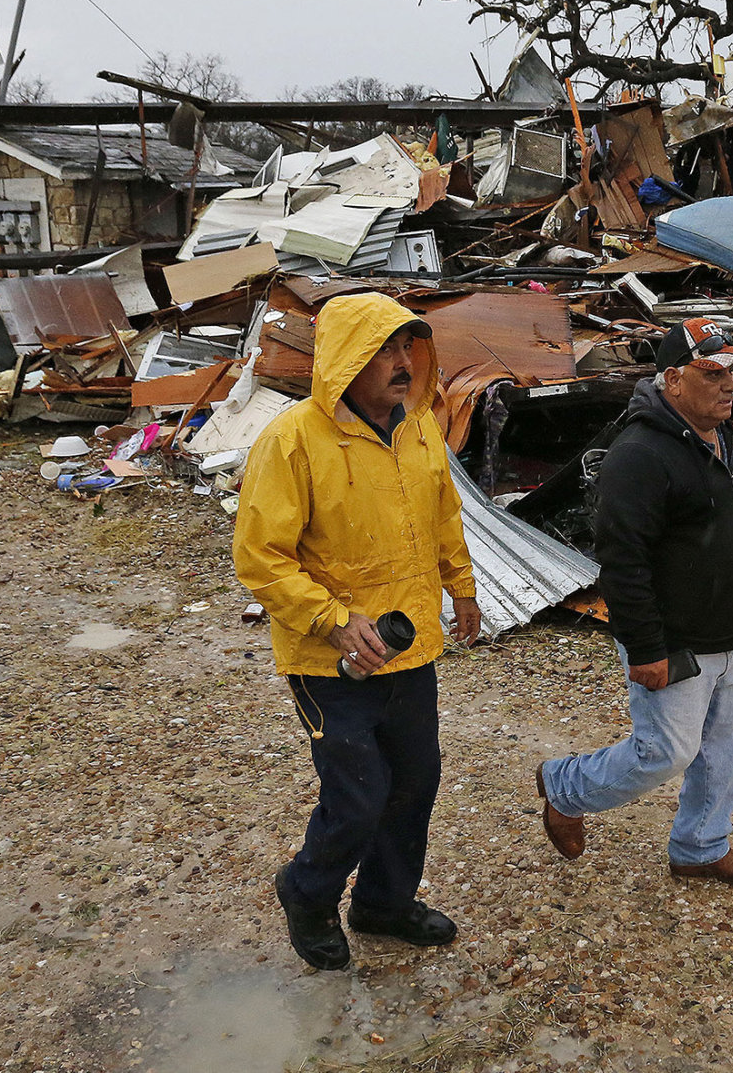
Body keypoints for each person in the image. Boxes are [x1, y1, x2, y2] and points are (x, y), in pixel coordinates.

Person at [234, 291, 481, 970]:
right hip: (329, 660)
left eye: (407, 347)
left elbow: (443, 512)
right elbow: (259, 557)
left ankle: (383, 903)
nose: (401, 363)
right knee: (359, 795)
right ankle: (307, 891)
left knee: (415, 782)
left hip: (410, 645)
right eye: (383, 350)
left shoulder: (418, 426)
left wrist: (460, 583)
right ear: (346, 360)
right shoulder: (293, 441)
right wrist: (335, 622)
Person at [534, 318, 733, 887]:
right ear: (673, 380)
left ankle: (700, 846)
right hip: (674, 637)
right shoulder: (640, 455)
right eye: (713, 372)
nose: (729, 384)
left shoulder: (726, 438)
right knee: (665, 752)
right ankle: (565, 786)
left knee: (721, 750)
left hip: (729, 632)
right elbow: (622, 562)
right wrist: (645, 646)